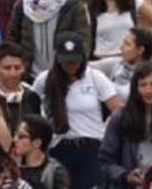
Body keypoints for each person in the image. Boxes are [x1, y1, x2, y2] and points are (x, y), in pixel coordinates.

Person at [32, 32, 121, 189]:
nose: (71, 66)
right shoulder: (44, 79)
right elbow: (31, 106)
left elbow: (118, 111)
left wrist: (108, 136)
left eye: (74, 62)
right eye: (66, 62)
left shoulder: (95, 77)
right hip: (59, 147)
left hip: (91, 146)